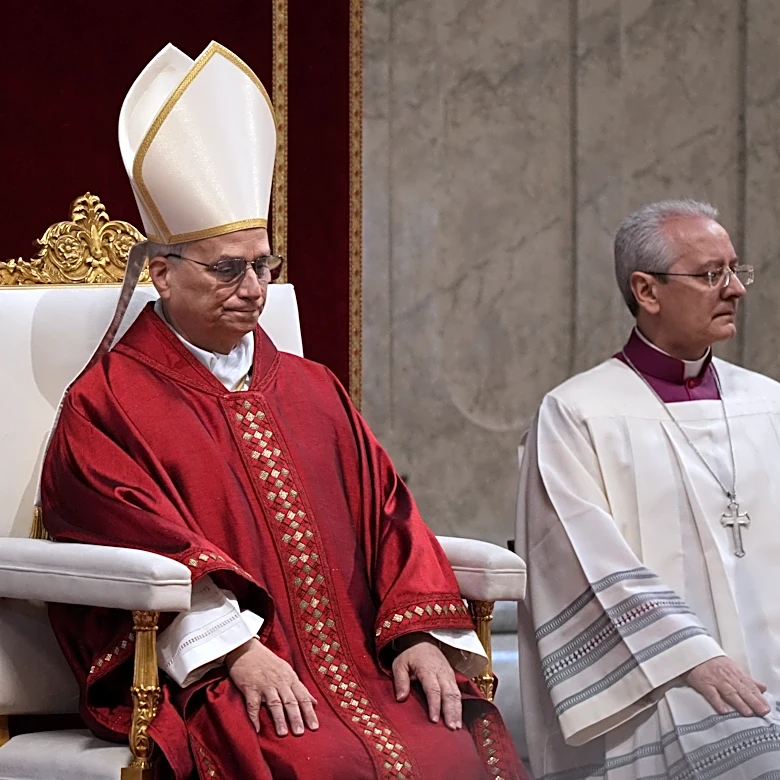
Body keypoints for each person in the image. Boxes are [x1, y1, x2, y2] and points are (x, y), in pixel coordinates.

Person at [40, 42, 526, 780]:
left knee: (449, 745)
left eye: (263, 265)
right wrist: (236, 651)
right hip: (225, 674)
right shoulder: (107, 402)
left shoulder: (312, 388)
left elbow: (391, 517)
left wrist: (417, 635)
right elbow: (123, 540)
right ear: (163, 275)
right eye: (227, 268)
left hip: (364, 664)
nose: (253, 288)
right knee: (321, 760)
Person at [516, 199, 780, 778]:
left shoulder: (769, 403)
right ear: (647, 291)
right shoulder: (578, 412)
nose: (735, 289)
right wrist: (690, 656)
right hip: (657, 683)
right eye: (712, 274)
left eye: (736, 270)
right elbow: (579, 557)